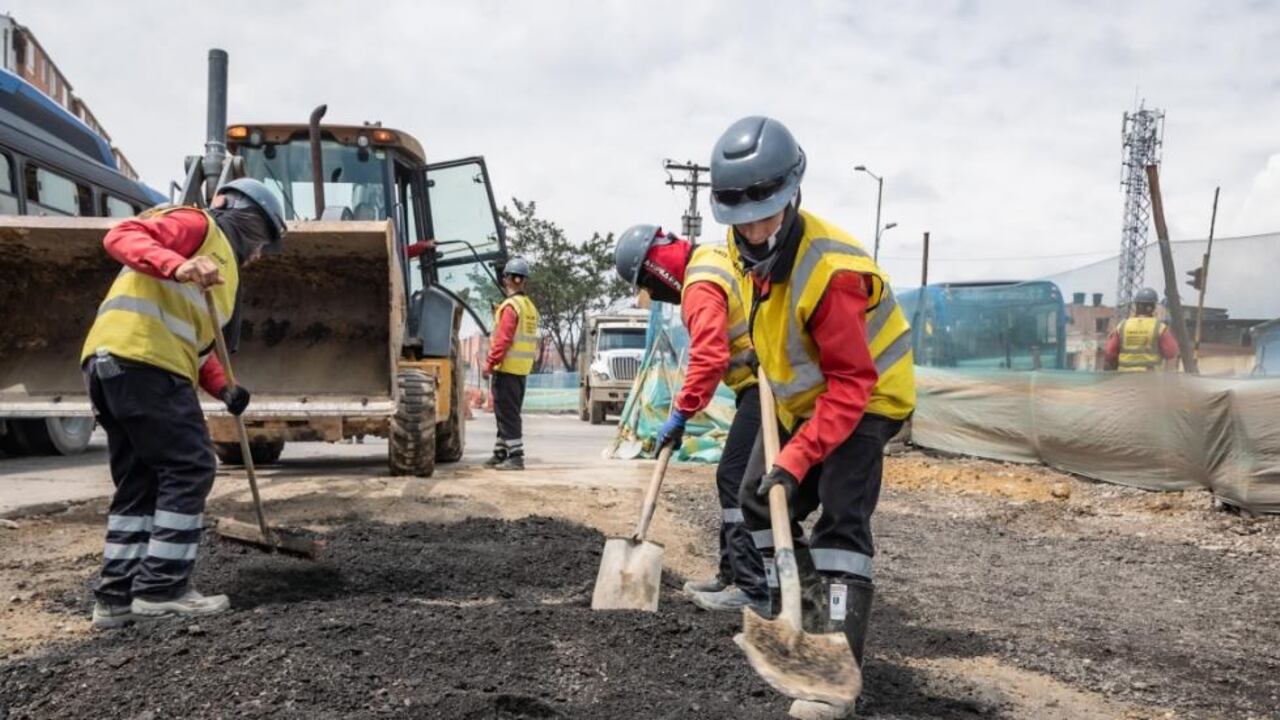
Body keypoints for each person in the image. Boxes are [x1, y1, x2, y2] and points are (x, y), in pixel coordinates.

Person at [711, 116, 915, 719]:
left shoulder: (832, 272)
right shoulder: (742, 249)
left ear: (792, 196)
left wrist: (797, 459)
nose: (753, 230)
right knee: (755, 499)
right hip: (805, 401)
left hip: (868, 400)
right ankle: (794, 616)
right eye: (741, 219)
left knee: (841, 528)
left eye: (766, 215)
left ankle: (833, 677)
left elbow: (853, 382)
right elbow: (774, 333)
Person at [82, 178, 287, 629]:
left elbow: (197, 349)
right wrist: (178, 265)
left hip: (114, 365)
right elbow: (121, 236)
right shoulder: (197, 224)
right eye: (261, 241)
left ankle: (116, 597)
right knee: (191, 466)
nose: (257, 254)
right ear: (245, 218)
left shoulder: (221, 275)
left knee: (139, 481)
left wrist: (224, 388)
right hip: (144, 363)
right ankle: (162, 588)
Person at [613, 224, 768, 614]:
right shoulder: (713, 258)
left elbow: (708, 356)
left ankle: (751, 586)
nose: (653, 293)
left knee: (734, 477)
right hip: (761, 378)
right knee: (734, 475)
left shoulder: (699, 283)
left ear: (656, 268)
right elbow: (726, 352)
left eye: (648, 283)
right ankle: (731, 574)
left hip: (769, 386)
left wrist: (681, 413)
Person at [483, 257, 539, 471]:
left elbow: (504, 340)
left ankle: (516, 457)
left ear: (506, 279)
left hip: (506, 369)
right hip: (521, 371)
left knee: (507, 415)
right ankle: (500, 452)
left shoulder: (510, 307)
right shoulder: (529, 307)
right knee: (505, 413)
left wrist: (490, 363)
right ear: (523, 280)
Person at [1105, 287, 1180, 371]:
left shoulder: (1122, 326)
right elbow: (1171, 353)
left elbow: (1110, 353)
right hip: (1150, 378)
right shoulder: (1159, 328)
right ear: (1153, 307)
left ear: (1136, 305)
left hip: (1124, 377)